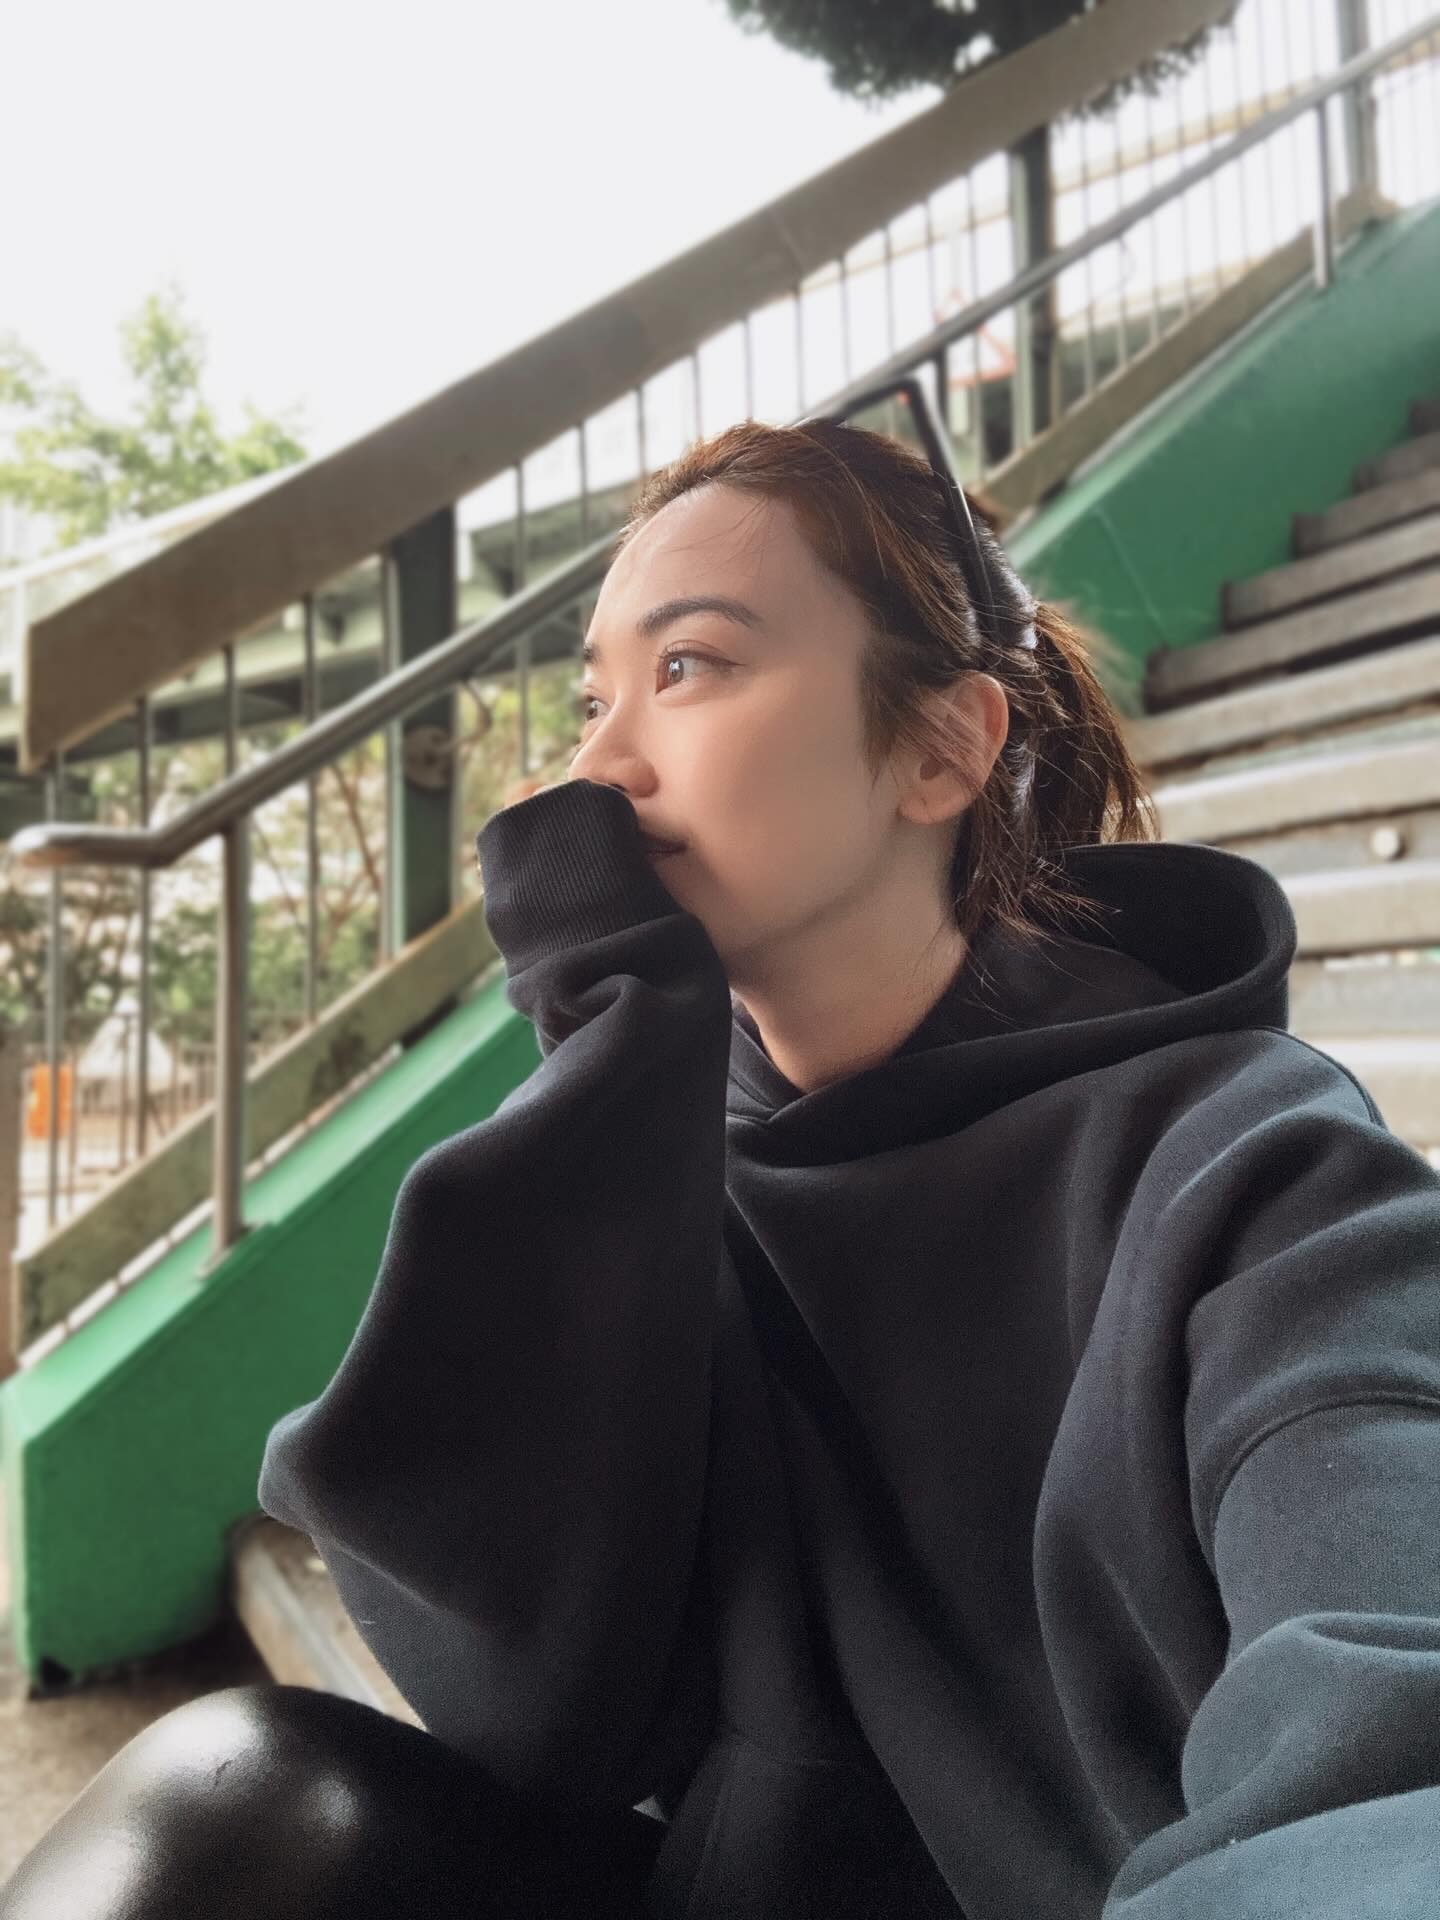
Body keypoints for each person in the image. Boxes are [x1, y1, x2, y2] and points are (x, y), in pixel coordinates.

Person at [4, 416, 1438, 1918]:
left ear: (944, 748)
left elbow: (1393, 1735)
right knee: (237, 1800)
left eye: (689, 665)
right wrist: (609, 1069)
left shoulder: (1258, 1176)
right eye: (592, 700)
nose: (597, 770)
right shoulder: (660, 1164)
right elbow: (531, 1716)